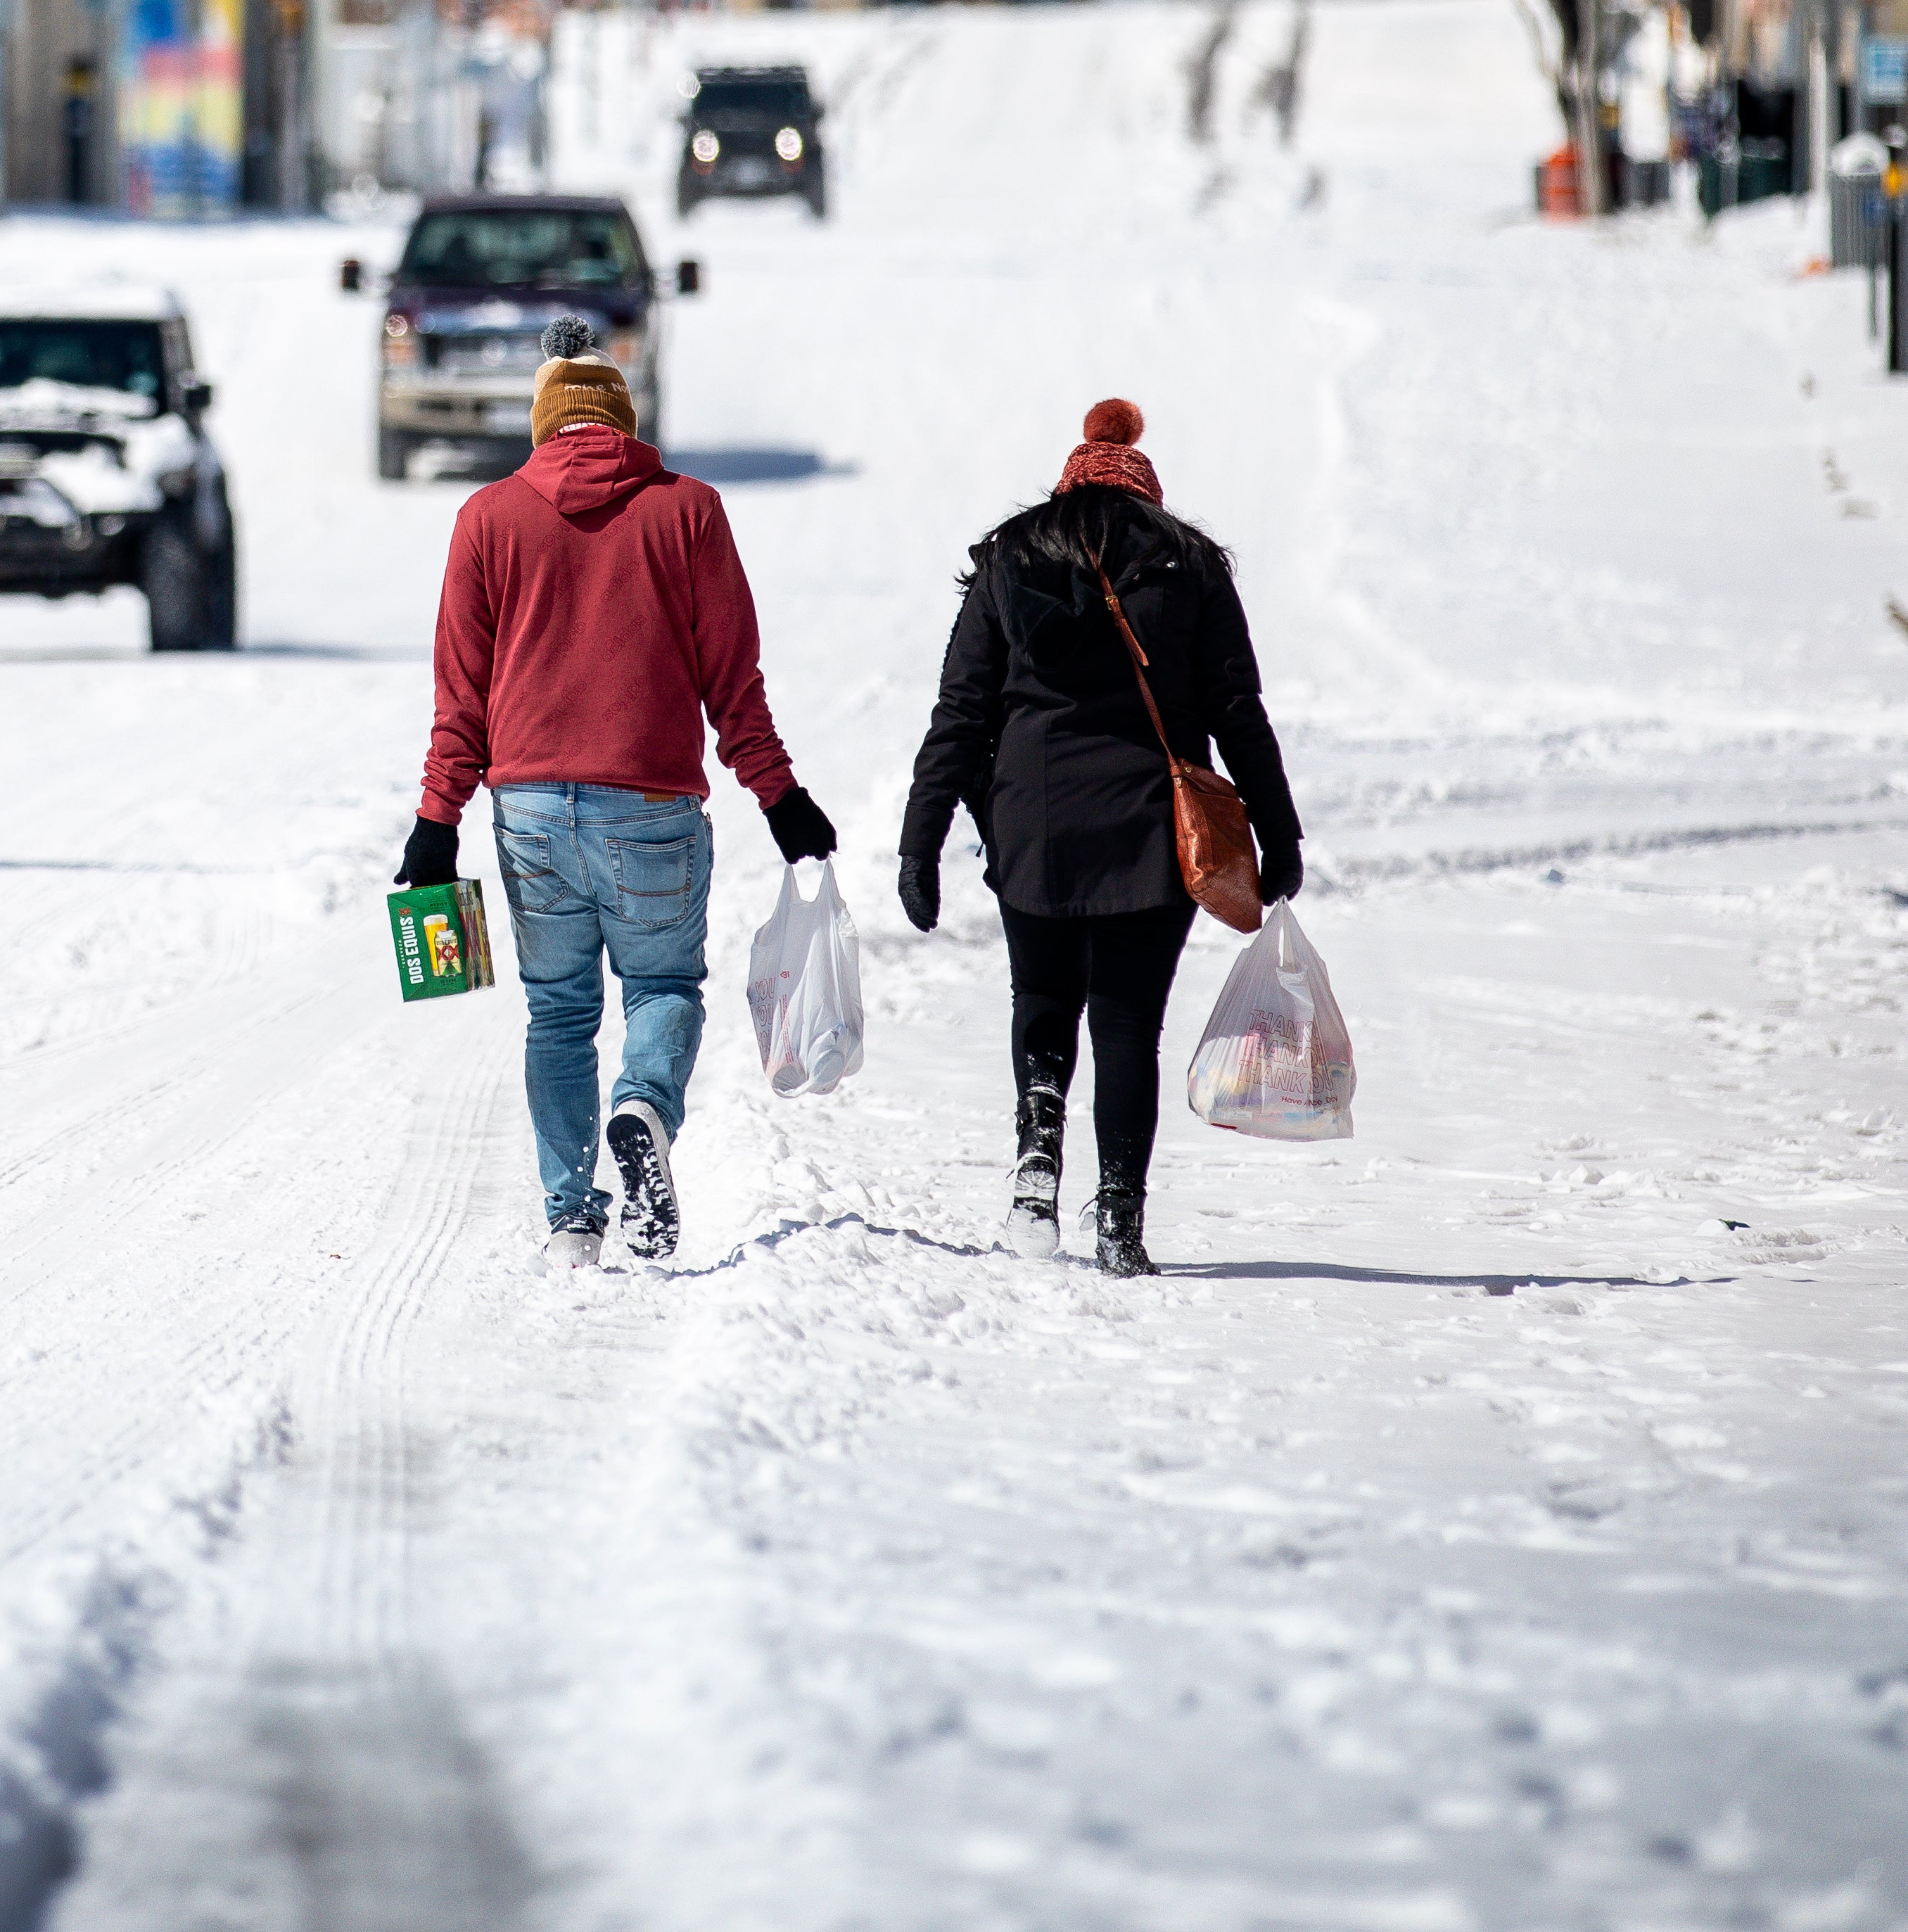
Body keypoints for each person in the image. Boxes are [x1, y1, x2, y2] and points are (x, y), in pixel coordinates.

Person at [398, 318, 836, 1269]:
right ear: (623, 424)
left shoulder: (486, 519)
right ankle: (641, 1102)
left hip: (526, 811)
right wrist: (778, 796)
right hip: (648, 806)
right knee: (661, 986)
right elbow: (734, 680)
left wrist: (435, 821)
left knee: (555, 1012)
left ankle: (569, 1218)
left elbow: (458, 694)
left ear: (541, 423)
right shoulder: (689, 511)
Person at [894, 402, 1302, 1278]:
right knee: (1126, 1024)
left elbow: (961, 712)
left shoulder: (1009, 559)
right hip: (1149, 829)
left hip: (1031, 824)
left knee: (1041, 998)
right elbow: (1238, 710)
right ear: (1146, 490)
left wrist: (918, 842)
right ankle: (1120, 1216)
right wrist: (1277, 829)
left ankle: (1036, 1162)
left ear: (1069, 479)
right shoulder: (1189, 566)